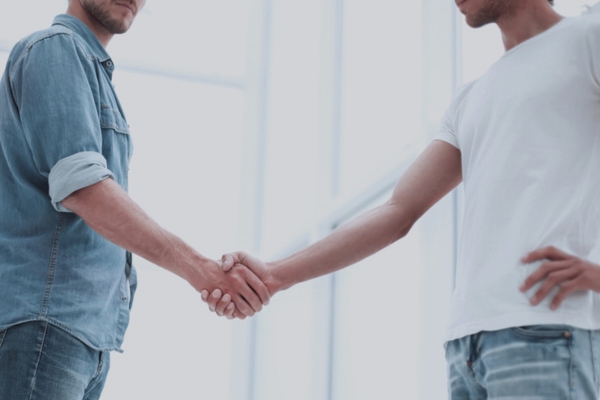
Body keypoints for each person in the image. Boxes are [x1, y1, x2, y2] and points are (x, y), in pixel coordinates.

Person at [204, 0, 600, 397]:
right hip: (468, 348)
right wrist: (273, 276)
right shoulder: (471, 98)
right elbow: (398, 211)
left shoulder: (587, 38)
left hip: (550, 333)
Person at [0, 1, 270, 399]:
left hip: (80, 336)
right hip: (45, 326)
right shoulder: (56, 48)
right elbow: (85, 190)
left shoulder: (91, 70)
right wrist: (203, 270)